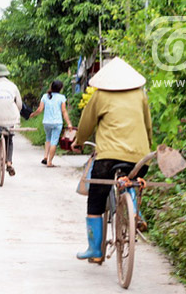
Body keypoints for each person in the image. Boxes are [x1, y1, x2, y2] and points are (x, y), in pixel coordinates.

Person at [71, 57, 152, 263]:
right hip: (139, 156)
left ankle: (95, 251)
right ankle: (134, 212)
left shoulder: (100, 96)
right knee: (130, 182)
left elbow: (86, 124)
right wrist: (146, 148)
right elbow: (147, 125)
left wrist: (78, 141)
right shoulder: (140, 95)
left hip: (108, 157)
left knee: (96, 199)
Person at [29, 80, 73, 167]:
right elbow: (64, 111)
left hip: (46, 122)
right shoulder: (61, 97)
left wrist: (33, 114)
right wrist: (69, 123)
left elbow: (40, 109)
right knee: (54, 142)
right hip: (57, 123)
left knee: (48, 139)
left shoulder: (45, 96)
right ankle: (49, 162)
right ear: (60, 88)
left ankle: (45, 157)